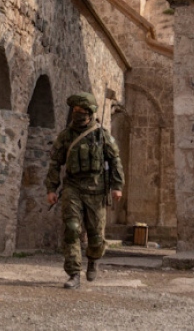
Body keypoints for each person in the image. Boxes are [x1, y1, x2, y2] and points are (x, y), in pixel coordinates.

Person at [45, 92, 123, 289]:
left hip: (96, 190)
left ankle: (93, 260)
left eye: (81, 111)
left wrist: (117, 186)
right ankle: (73, 273)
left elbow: (115, 161)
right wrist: (51, 188)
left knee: (96, 236)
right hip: (73, 187)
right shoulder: (66, 136)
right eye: (75, 110)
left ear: (89, 113)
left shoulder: (101, 134)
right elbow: (55, 163)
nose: (77, 114)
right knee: (71, 229)